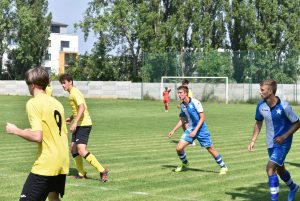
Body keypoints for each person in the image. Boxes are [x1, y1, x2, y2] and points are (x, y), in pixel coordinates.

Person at [5, 67, 69, 201]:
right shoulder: (57, 103)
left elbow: (37, 136)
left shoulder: (33, 103)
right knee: (53, 198)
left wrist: (15, 130)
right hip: (62, 160)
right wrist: (28, 130)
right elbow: (56, 132)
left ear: (32, 84)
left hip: (47, 162)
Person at [248, 79, 300, 201]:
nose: (260, 92)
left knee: (270, 168)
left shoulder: (284, 106)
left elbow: (297, 123)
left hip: (283, 142)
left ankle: (274, 199)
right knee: (280, 170)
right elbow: (258, 123)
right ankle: (293, 187)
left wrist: (284, 136)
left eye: (262, 90)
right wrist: (253, 140)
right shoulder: (260, 106)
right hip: (270, 142)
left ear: (270, 91)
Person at [59, 74, 109, 182]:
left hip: (84, 124)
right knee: (73, 148)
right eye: (61, 83)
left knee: (81, 150)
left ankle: (102, 170)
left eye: (64, 82)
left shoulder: (74, 92)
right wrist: (71, 118)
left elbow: (82, 107)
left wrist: (75, 123)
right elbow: (79, 109)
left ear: (70, 82)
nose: (63, 85)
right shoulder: (72, 93)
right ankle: (81, 174)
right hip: (80, 123)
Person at [168, 85, 228, 174]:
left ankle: (223, 166)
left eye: (180, 93)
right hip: (191, 129)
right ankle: (185, 163)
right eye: (178, 93)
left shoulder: (195, 102)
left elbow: (202, 118)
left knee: (210, 148)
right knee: (179, 148)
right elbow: (183, 120)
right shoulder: (182, 106)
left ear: (186, 93)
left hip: (201, 129)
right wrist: (173, 130)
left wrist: (196, 130)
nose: (179, 95)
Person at [180, 79, 196, 146]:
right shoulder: (182, 91)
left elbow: (190, 100)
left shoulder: (188, 91)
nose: (185, 85)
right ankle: (188, 138)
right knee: (184, 124)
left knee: (186, 124)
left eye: (186, 84)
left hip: (188, 109)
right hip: (183, 108)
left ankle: (190, 140)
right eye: (184, 84)